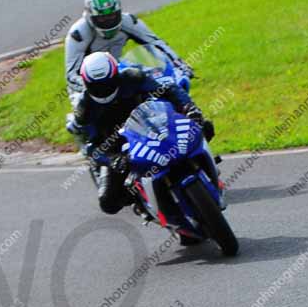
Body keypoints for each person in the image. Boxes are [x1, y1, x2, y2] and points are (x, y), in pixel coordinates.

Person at [68, 51, 214, 216]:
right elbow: (90, 147)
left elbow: (168, 89)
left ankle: (204, 167)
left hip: (152, 125)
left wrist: (189, 108)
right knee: (108, 202)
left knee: (205, 126)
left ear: (115, 75)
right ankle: (141, 204)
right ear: (86, 84)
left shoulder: (132, 77)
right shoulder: (84, 109)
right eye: (97, 86)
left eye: (107, 83)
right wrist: (112, 159)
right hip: (119, 148)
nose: (102, 89)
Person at [65, 0, 193, 106]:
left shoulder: (128, 21)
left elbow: (156, 43)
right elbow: (71, 76)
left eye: (112, 15)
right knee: (90, 120)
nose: (109, 21)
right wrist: (93, 86)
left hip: (116, 77)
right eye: (103, 18)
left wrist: (180, 64)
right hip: (88, 87)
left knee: (151, 92)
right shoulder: (78, 34)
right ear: (90, 15)